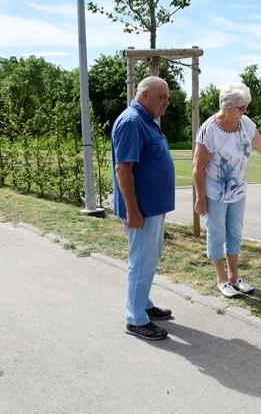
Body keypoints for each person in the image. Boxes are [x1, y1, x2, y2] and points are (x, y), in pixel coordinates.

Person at [193, 82, 261, 298]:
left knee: (234, 232)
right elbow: (198, 167)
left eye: (245, 108)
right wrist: (200, 197)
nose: (245, 112)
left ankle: (234, 277)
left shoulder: (245, 124)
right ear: (229, 107)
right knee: (217, 233)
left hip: (238, 191)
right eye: (242, 108)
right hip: (215, 192)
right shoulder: (209, 130)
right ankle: (221, 279)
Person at [112, 76, 175, 341]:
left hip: (153, 207)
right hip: (142, 210)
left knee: (150, 259)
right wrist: (132, 210)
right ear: (145, 95)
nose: (167, 103)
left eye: (168, 98)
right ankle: (135, 319)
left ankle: (143, 304)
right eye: (163, 97)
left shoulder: (146, 120)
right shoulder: (131, 122)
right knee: (140, 262)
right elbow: (123, 169)